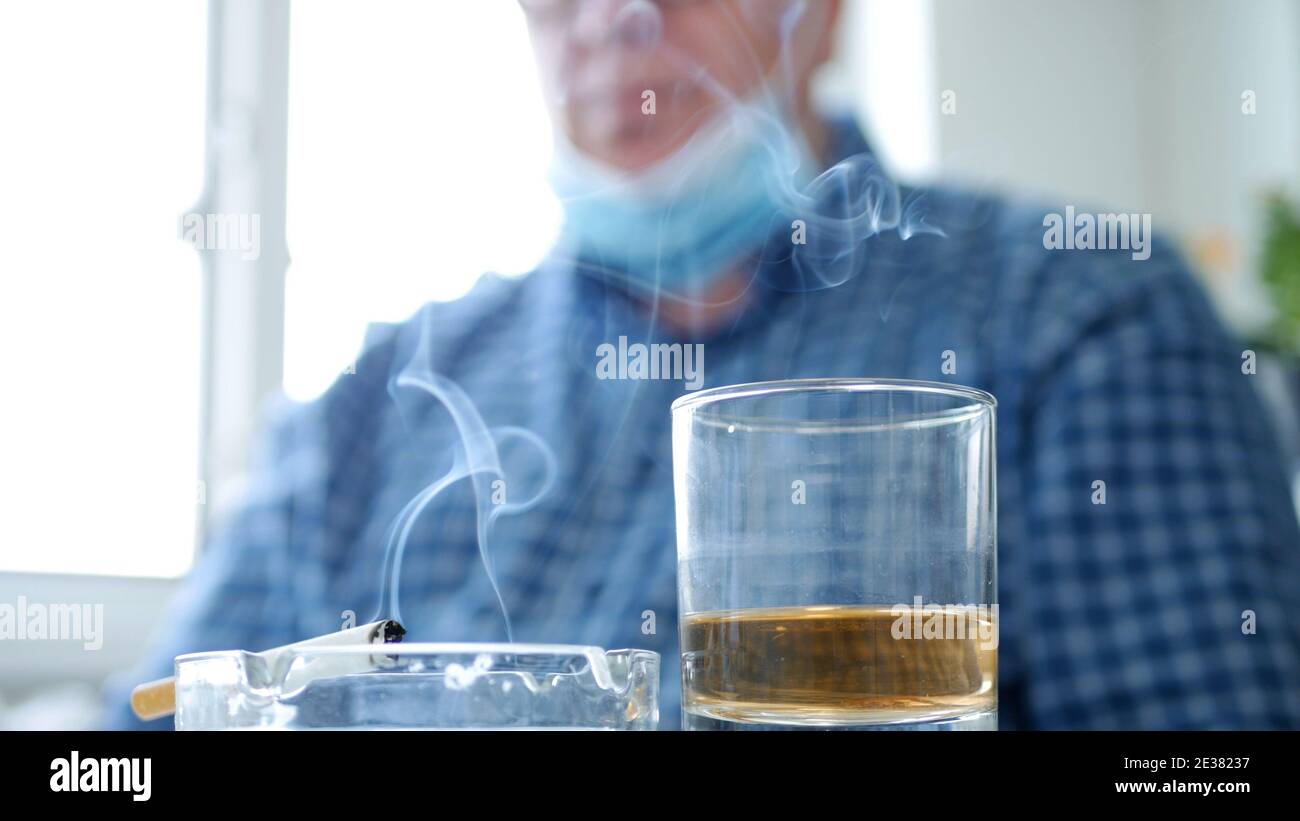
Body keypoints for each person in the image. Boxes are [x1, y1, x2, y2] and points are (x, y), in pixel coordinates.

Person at [104, 0, 1300, 729]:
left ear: (821, 11)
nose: (611, 23)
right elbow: (135, 743)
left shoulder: (1080, 318)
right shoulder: (373, 404)